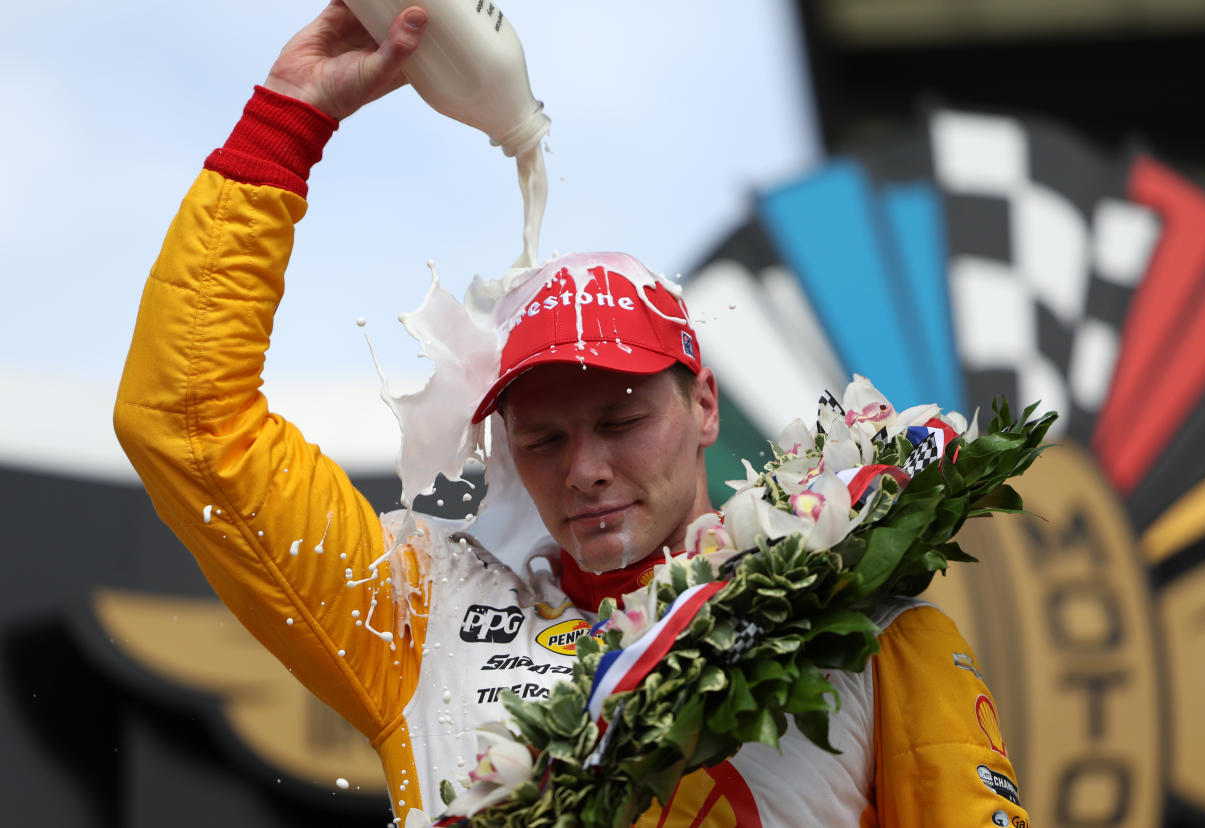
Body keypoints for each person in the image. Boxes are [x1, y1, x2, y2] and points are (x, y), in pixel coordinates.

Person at [115, 3, 1034, 826]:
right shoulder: (418, 612)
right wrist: (289, 115)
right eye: (543, 438)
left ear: (705, 402)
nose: (583, 467)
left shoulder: (865, 621)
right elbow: (187, 426)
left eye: (622, 421)